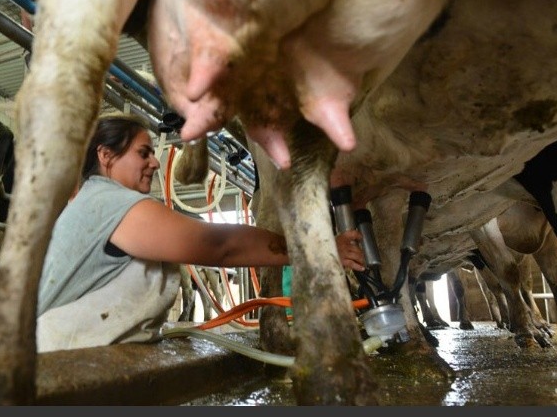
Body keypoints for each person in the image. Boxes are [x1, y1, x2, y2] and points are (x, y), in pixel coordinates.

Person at [36, 113, 366, 352]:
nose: (154, 162)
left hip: (68, 354)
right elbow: (220, 246)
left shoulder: (94, 202)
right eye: (143, 152)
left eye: (153, 152)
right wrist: (317, 248)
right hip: (54, 365)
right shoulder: (107, 203)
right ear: (105, 156)